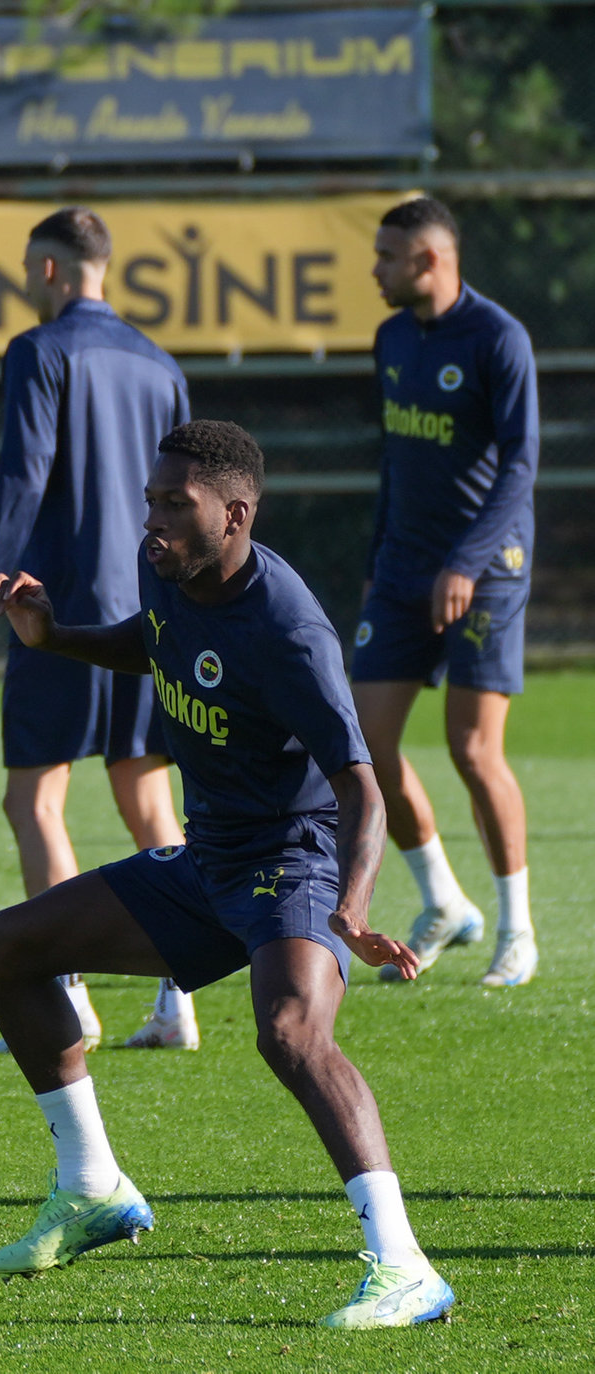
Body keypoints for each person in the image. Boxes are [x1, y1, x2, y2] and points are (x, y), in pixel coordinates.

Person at [0, 420, 454, 1329]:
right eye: (149, 499)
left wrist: (350, 907)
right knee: (5, 948)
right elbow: (148, 640)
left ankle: (404, 1266)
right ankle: (91, 1189)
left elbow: (362, 786)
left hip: (293, 858)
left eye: (172, 504)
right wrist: (51, 636)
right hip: (209, 859)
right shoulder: (176, 576)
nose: (150, 519)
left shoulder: (287, 627)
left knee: (288, 1032)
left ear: (233, 514)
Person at [0, 207, 198, 1053]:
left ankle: (67, 1001)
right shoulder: (158, 364)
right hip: (149, 610)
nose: (25, 282)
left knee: (33, 798)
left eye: (27, 268)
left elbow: (22, 479)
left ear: (50, 270)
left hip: (58, 611)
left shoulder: (39, 350)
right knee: (144, 794)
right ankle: (177, 1003)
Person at [354, 196, 539, 988]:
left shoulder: (497, 339)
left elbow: (520, 465)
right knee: (362, 748)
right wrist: (376, 558)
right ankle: (443, 901)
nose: (375, 270)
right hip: (401, 570)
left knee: (472, 750)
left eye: (386, 257)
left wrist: (464, 561)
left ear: (428, 261)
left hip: (485, 569)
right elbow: (395, 462)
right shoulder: (391, 337)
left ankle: (516, 928)